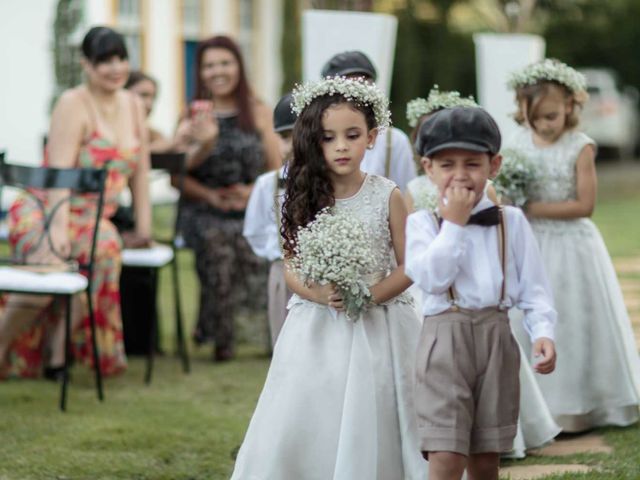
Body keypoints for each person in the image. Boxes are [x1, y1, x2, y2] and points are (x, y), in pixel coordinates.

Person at [231, 77, 427, 479]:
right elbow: (290, 266)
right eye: (328, 137)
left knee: (382, 400)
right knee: (315, 402)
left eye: (352, 135)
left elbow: (411, 265)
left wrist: (371, 295)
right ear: (312, 141)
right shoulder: (301, 195)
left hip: (382, 323)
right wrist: (320, 294)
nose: (341, 146)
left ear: (371, 138)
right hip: (317, 323)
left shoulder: (387, 195)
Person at [406, 89, 560, 459]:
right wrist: (454, 226)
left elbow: (534, 287)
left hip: (496, 337)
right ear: (428, 169)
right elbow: (432, 279)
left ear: (494, 166)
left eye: (472, 164)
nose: (460, 175)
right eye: (447, 165)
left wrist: (542, 332)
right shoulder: (422, 224)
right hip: (444, 340)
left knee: (487, 452)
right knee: (444, 451)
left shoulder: (512, 222)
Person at [0, 26, 151, 379]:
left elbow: (139, 174)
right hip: (46, 210)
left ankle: (58, 359)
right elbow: (58, 174)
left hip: (94, 217)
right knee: (45, 280)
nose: (115, 68)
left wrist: (144, 228)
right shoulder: (72, 103)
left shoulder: (132, 104)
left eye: (120, 58)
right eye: (104, 61)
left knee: (106, 247)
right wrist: (56, 229)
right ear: (85, 63)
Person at [506, 58, 640, 432]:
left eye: (551, 116)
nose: (544, 125)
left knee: (575, 319)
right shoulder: (516, 142)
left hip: (572, 245)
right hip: (530, 244)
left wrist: (530, 207)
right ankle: (535, 409)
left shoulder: (581, 146)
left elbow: (585, 205)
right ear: (522, 113)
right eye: (535, 118)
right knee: (526, 316)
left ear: (569, 105)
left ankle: (581, 407)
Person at [176, 35, 281, 361]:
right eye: (209, 65)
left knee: (254, 241)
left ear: (238, 67)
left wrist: (251, 194)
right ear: (200, 72)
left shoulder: (259, 111)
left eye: (225, 63)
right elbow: (176, 175)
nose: (217, 71)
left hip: (251, 204)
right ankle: (222, 336)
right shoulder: (191, 116)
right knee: (218, 240)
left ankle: (263, 331)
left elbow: (277, 167)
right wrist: (210, 195)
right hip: (203, 206)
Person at [242, 93, 295, 348]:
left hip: (325, 278)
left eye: (300, 136)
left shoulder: (335, 184)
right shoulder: (268, 184)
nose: (292, 145)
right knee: (286, 341)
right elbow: (255, 230)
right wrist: (279, 251)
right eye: (285, 138)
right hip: (283, 272)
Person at [321, 50, 417, 192]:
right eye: (346, 88)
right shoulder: (317, 137)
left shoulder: (394, 140)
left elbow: (408, 195)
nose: (355, 95)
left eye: (362, 86)